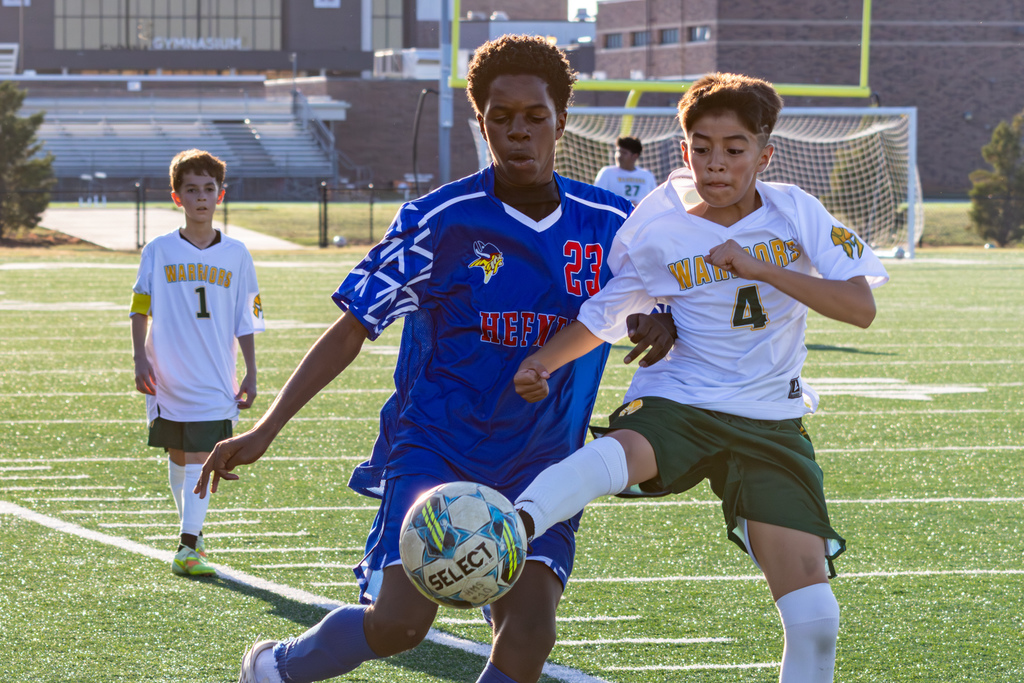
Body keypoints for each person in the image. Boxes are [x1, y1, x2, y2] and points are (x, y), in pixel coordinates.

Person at [193, 35, 673, 683]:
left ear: (561, 119)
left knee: (529, 630)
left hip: (544, 460)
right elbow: (349, 330)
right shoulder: (437, 221)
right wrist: (266, 428)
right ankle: (276, 668)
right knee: (399, 625)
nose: (518, 132)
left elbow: (664, 301)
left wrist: (661, 321)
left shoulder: (616, 224)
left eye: (535, 116)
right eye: (500, 117)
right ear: (481, 123)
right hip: (438, 451)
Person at [511, 72, 890, 683]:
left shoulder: (798, 212)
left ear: (765, 154)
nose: (717, 164)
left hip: (772, 417)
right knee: (624, 451)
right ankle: (512, 526)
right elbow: (607, 313)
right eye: (702, 148)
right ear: (683, 150)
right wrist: (541, 363)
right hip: (681, 397)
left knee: (816, 618)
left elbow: (859, 309)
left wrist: (756, 266)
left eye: (735, 149)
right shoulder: (657, 222)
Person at [130, 148, 264, 577]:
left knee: (202, 457)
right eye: (192, 190)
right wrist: (138, 358)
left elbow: (247, 318)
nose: (201, 198)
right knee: (178, 456)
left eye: (209, 189)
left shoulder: (238, 253)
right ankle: (192, 531)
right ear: (177, 197)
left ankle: (188, 545)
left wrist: (252, 370)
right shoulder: (159, 250)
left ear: (220, 195)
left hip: (214, 375)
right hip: (166, 371)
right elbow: (139, 308)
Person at [592, 135, 658, 204]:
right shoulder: (606, 173)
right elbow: (597, 198)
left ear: (635, 156)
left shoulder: (647, 175)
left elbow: (655, 202)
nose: (619, 156)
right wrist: (624, 206)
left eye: (624, 153)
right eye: (618, 151)